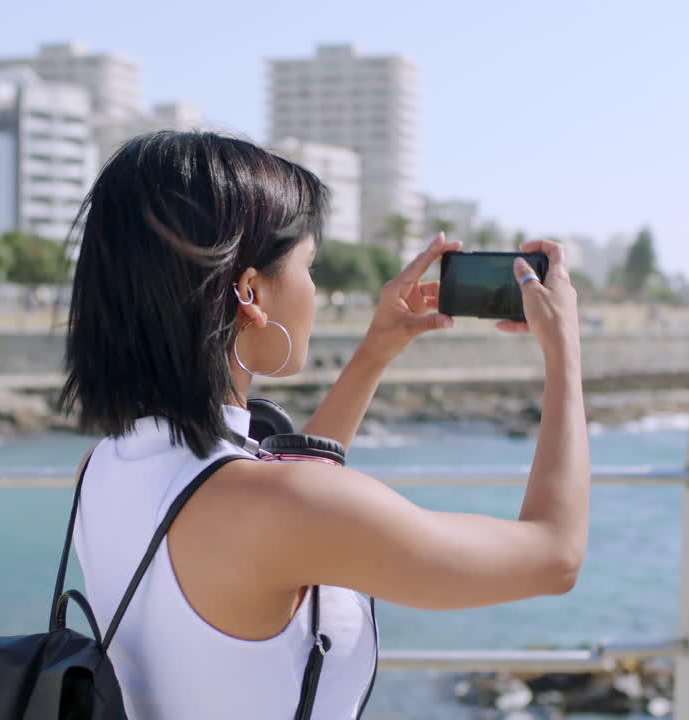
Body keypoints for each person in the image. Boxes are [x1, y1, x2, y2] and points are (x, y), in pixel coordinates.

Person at [61, 131, 589, 719]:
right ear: (251, 293)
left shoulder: (101, 469)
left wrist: (376, 351)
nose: (315, 291)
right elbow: (555, 555)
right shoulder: (280, 506)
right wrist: (564, 349)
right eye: (309, 267)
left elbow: (280, 511)